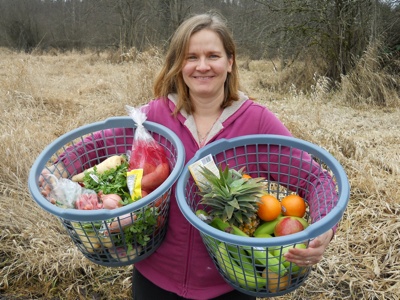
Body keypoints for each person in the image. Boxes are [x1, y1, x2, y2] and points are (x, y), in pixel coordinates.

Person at [40, 12, 335, 300]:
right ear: (178, 64)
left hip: (230, 284)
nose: (202, 66)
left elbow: (315, 177)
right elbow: (98, 145)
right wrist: (58, 169)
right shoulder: (154, 116)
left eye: (213, 56)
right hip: (155, 279)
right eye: (191, 57)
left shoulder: (257, 122)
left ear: (230, 62)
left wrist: (324, 229)